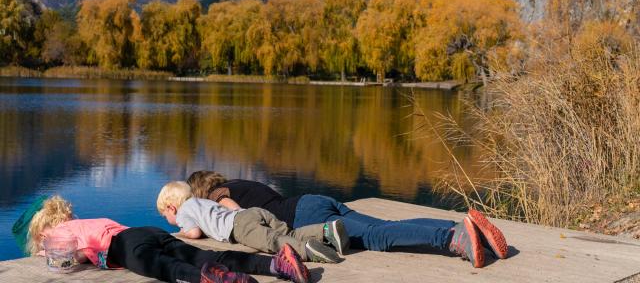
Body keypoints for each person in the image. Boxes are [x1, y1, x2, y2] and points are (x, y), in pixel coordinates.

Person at [187, 171, 510, 268]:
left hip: (304, 216)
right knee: (385, 228)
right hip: (312, 201)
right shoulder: (246, 183)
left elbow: (236, 215)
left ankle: (452, 241)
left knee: (377, 237)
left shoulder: (219, 194)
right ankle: (460, 227)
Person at [18, 195, 311, 283]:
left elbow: (74, 256)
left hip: (124, 246)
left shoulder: (55, 235)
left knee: (164, 267)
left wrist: (51, 255)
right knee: (206, 254)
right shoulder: (84, 222)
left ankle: (212, 280)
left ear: (42, 230)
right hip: (145, 232)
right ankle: (277, 264)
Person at [157, 181, 349, 264]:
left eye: (165, 216)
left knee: (272, 241)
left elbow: (194, 233)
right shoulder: (203, 201)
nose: (170, 221)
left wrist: (182, 232)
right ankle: (324, 231)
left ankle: (306, 250)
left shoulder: (183, 212)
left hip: (240, 227)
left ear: (171, 208)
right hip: (252, 213)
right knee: (286, 232)